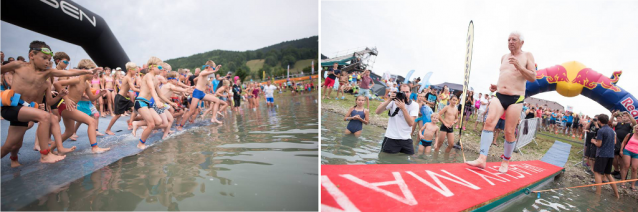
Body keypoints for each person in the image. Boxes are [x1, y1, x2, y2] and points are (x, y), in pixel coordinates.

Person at [1, 41, 97, 164]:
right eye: (44, 58)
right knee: (45, 116)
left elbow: (67, 73)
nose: (47, 61)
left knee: (11, 146)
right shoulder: (18, 66)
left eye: (49, 59)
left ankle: (14, 158)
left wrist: (87, 72)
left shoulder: (46, 74)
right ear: (31, 55)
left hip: (27, 110)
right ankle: (45, 155)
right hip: (12, 107)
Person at [466, 31, 537, 173]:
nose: (510, 42)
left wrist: (520, 67)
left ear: (521, 42)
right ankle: (482, 159)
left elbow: (533, 77)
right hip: (499, 95)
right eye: (509, 39)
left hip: (516, 98)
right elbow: (506, 75)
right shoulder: (504, 57)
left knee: (509, 131)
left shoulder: (527, 55)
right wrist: (496, 86)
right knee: (489, 122)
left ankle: (505, 161)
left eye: (514, 39)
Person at [53, 59, 110, 153]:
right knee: (91, 121)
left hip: (71, 107)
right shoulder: (77, 80)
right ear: (84, 70)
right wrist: (66, 99)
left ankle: (50, 150)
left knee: (69, 132)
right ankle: (95, 148)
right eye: (92, 73)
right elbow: (57, 83)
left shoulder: (86, 84)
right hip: (65, 106)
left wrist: (100, 94)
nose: (94, 75)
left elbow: (91, 98)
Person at [177, 60, 223, 130]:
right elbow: (202, 74)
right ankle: (180, 126)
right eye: (213, 68)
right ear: (209, 67)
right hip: (197, 93)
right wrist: (215, 71)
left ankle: (213, 118)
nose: (213, 70)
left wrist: (196, 85)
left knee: (217, 100)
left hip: (202, 93)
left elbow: (195, 79)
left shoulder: (205, 73)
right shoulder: (204, 72)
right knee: (191, 111)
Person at [375, 84, 418, 155]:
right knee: (385, 160)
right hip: (391, 137)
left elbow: (411, 123)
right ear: (398, 92)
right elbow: (377, 112)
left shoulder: (414, 105)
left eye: (407, 92)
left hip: (406, 138)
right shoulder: (392, 101)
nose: (405, 94)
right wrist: (389, 99)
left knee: (408, 162)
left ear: (410, 92)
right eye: (403, 92)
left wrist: (403, 108)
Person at [590, 114, 620, 198]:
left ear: (599, 121)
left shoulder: (601, 131)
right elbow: (614, 142)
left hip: (602, 154)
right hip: (610, 155)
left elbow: (599, 144)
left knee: (597, 173)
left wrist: (593, 141)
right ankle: (617, 194)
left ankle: (598, 194)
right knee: (608, 174)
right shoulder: (612, 130)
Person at [105, 62, 139, 135]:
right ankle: (107, 129)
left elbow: (131, 87)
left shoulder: (128, 78)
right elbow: (133, 88)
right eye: (135, 69)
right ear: (130, 70)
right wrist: (144, 90)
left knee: (135, 109)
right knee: (118, 115)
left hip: (124, 98)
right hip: (120, 98)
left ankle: (129, 122)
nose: (136, 71)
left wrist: (140, 87)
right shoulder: (128, 77)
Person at [612, 111, 636, 178]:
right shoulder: (618, 123)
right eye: (623, 116)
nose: (624, 117)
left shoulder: (630, 125)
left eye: (626, 116)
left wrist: (629, 114)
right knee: (613, 157)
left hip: (625, 143)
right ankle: (617, 170)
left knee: (622, 160)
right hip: (616, 142)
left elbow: (634, 123)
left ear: (629, 118)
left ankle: (622, 175)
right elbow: (610, 123)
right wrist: (613, 116)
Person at [619, 124, 638, 191]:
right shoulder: (629, 135)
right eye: (636, 128)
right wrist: (621, 150)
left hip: (636, 153)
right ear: (635, 128)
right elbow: (623, 142)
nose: (637, 130)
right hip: (627, 151)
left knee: (634, 168)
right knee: (626, 166)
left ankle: (633, 185)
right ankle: (623, 182)